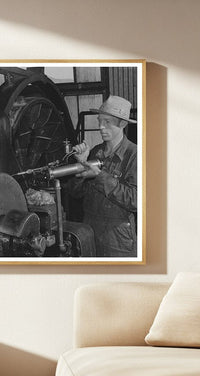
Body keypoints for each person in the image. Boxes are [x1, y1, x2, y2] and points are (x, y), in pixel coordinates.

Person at [67, 95, 138, 257]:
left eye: (107, 122)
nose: (100, 127)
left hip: (117, 238)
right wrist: (81, 164)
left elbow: (135, 200)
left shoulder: (134, 155)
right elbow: (76, 193)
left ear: (123, 124)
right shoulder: (95, 152)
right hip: (89, 231)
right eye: (99, 121)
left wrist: (99, 176)